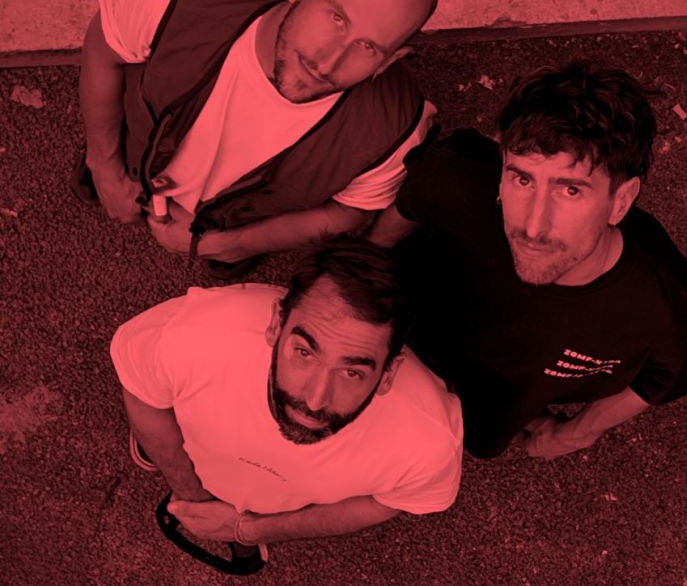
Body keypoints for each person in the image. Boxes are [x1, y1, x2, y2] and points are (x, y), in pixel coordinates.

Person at [369, 60, 687, 461]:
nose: (533, 226)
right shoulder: (460, 179)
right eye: (523, 179)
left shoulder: (664, 304)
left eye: (570, 190)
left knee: (471, 435)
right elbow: (405, 211)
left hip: (502, 400)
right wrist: (359, 283)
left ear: (621, 201)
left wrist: (577, 433)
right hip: (410, 328)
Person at [76, 0, 438, 273]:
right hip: (135, 152)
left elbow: (348, 211)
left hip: (240, 218)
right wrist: (105, 166)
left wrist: (235, 244)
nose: (328, 63)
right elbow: (103, 48)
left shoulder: (396, 133)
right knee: (107, 168)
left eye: (368, 47)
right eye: (336, 18)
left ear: (389, 61)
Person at [109, 240, 462, 559]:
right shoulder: (191, 334)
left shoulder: (430, 442)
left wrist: (248, 530)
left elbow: (387, 502)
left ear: (388, 374)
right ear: (276, 324)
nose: (315, 399)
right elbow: (142, 393)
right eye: (304, 352)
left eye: (351, 372)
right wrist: (190, 493)